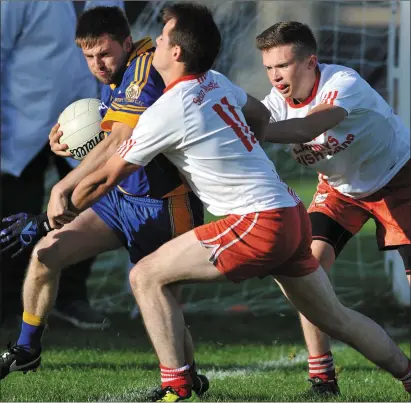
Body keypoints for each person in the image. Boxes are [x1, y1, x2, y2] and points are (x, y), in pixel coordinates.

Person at [26, 2, 410, 400]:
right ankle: (407, 373)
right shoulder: (217, 81)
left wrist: (52, 214)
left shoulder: (169, 110)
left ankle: (177, 387)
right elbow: (261, 118)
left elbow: (108, 177)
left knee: (145, 276)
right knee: (336, 317)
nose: (153, 44)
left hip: (257, 220)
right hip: (290, 210)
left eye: (161, 38)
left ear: (176, 52)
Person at [0, 6, 210, 396]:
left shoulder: (144, 68)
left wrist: (61, 189)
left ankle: (183, 379)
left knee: (161, 298)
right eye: (89, 57)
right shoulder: (117, 75)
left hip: (165, 204)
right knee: (47, 253)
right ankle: (27, 347)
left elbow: (117, 142)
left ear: (126, 43)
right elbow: (108, 129)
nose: (97, 64)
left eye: (105, 54)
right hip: (122, 200)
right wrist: (69, 138)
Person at [254, 21, 411, 395]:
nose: (276, 76)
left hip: (399, 179)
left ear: (311, 62)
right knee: (306, 268)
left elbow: (306, 130)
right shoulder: (274, 104)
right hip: (340, 191)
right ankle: (322, 378)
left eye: (284, 65)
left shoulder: (344, 83)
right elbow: (251, 126)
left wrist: (247, 128)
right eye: (269, 68)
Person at [0, 0, 115, 329]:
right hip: (21, 120)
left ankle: (72, 297)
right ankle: (9, 301)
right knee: (14, 213)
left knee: (91, 202)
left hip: (89, 123)